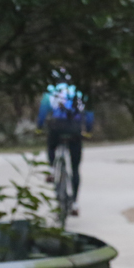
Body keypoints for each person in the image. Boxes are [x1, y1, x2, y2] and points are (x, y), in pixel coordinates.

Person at [36, 71, 95, 215]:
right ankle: (74, 203)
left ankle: (51, 169)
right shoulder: (79, 92)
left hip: (56, 128)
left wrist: (39, 128)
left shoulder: (51, 92)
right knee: (75, 168)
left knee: (51, 146)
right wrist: (87, 130)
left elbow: (43, 112)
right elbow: (89, 114)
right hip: (74, 130)